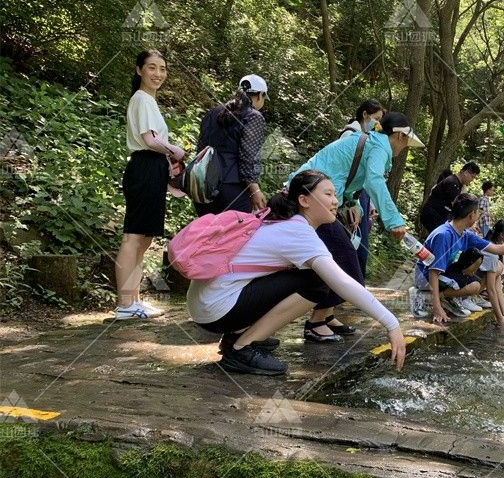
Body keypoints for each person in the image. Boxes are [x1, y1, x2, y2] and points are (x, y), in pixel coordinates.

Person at [186, 170, 406, 375]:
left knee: (307, 277)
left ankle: (237, 336)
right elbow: (342, 282)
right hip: (215, 309)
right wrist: (391, 324)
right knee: (317, 283)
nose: (335, 201)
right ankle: (242, 348)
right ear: (304, 200)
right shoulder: (298, 232)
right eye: (328, 194)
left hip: (206, 302)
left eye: (335, 194)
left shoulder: (279, 220)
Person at [289, 112, 424, 342]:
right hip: (310, 204)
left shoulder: (371, 142)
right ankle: (316, 322)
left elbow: (348, 174)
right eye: (406, 143)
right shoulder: (380, 147)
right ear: (400, 136)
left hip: (311, 201)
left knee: (338, 258)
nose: (405, 148)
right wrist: (394, 221)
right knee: (348, 262)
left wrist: (351, 202)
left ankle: (326, 315)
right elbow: (373, 180)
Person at [114, 50, 186, 320]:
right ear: (139, 70)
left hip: (152, 168)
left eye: (162, 68)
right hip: (144, 167)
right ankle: (125, 304)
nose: (158, 74)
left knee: (144, 239)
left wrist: (167, 162)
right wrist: (174, 150)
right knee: (133, 236)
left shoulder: (148, 101)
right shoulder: (142, 99)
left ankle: (134, 301)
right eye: (152, 68)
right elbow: (148, 139)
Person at [414, 194, 504, 324]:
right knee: (473, 286)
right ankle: (425, 297)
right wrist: (437, 310)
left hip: (444, 272)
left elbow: (496, 249)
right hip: (425, 276)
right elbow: (433, 272)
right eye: (477, 212)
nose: (478, 215)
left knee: (475, 285)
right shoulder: (444, 235)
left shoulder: (464, 234)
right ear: (471, 214)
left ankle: (448, 298)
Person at [194, 75, 269, 215]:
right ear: (260, 95)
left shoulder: (212, 113)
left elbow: (200, 149)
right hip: (233, 188)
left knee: (208, 235)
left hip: (203, 186)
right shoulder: (254, 116)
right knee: (235, 236)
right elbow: (248, 156)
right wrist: (255, 189)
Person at [338, 99, 387, 278]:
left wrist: (371, 203)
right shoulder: (350, 135)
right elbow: (345, 173)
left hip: (361, 196)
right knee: (352, 243)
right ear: (365, 115)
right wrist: (352, 202)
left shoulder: (368, 137)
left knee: (360, 242)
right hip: (350, 196)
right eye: (376, 118)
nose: (377, 123)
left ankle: (355, 285)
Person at [419, 162, 480, 233]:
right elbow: (459, 207)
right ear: (466, 172)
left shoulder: (459, 185)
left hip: (439, 216)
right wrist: (469, 221)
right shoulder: (452, 183)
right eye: (472, 176)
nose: (472, 180)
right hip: (433, 215)